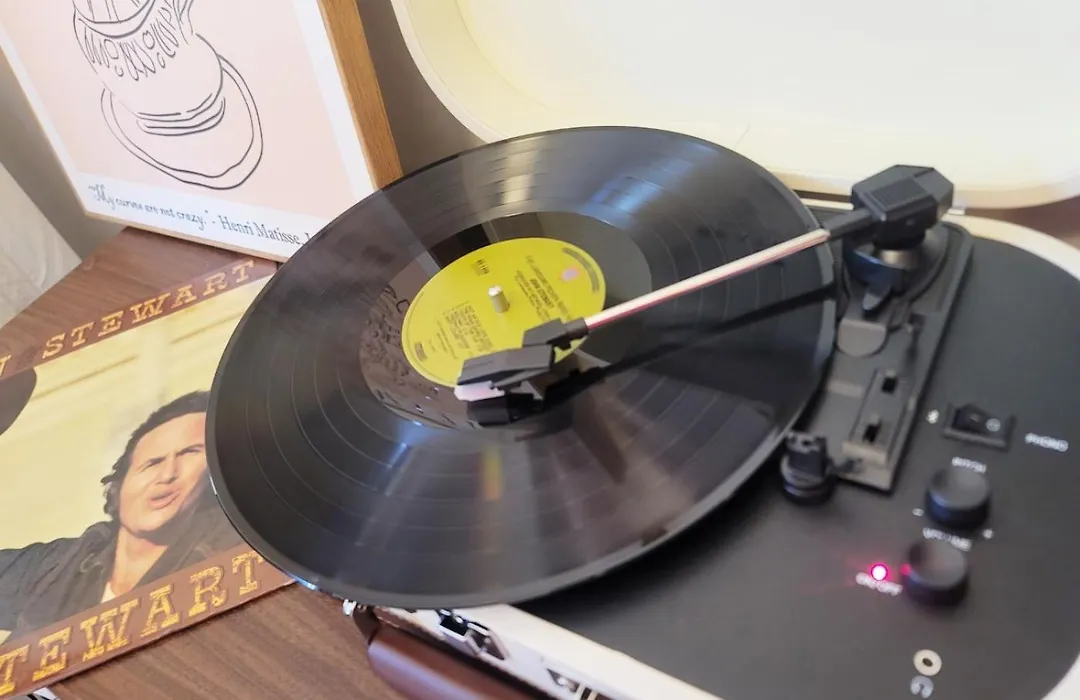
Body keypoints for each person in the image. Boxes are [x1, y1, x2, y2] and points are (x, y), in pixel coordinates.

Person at [0, 391, 242, 636]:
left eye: (189, 453)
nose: (167, 474)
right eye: (153, 463)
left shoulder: (230, 558)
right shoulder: (61, 564)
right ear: (119, 486)